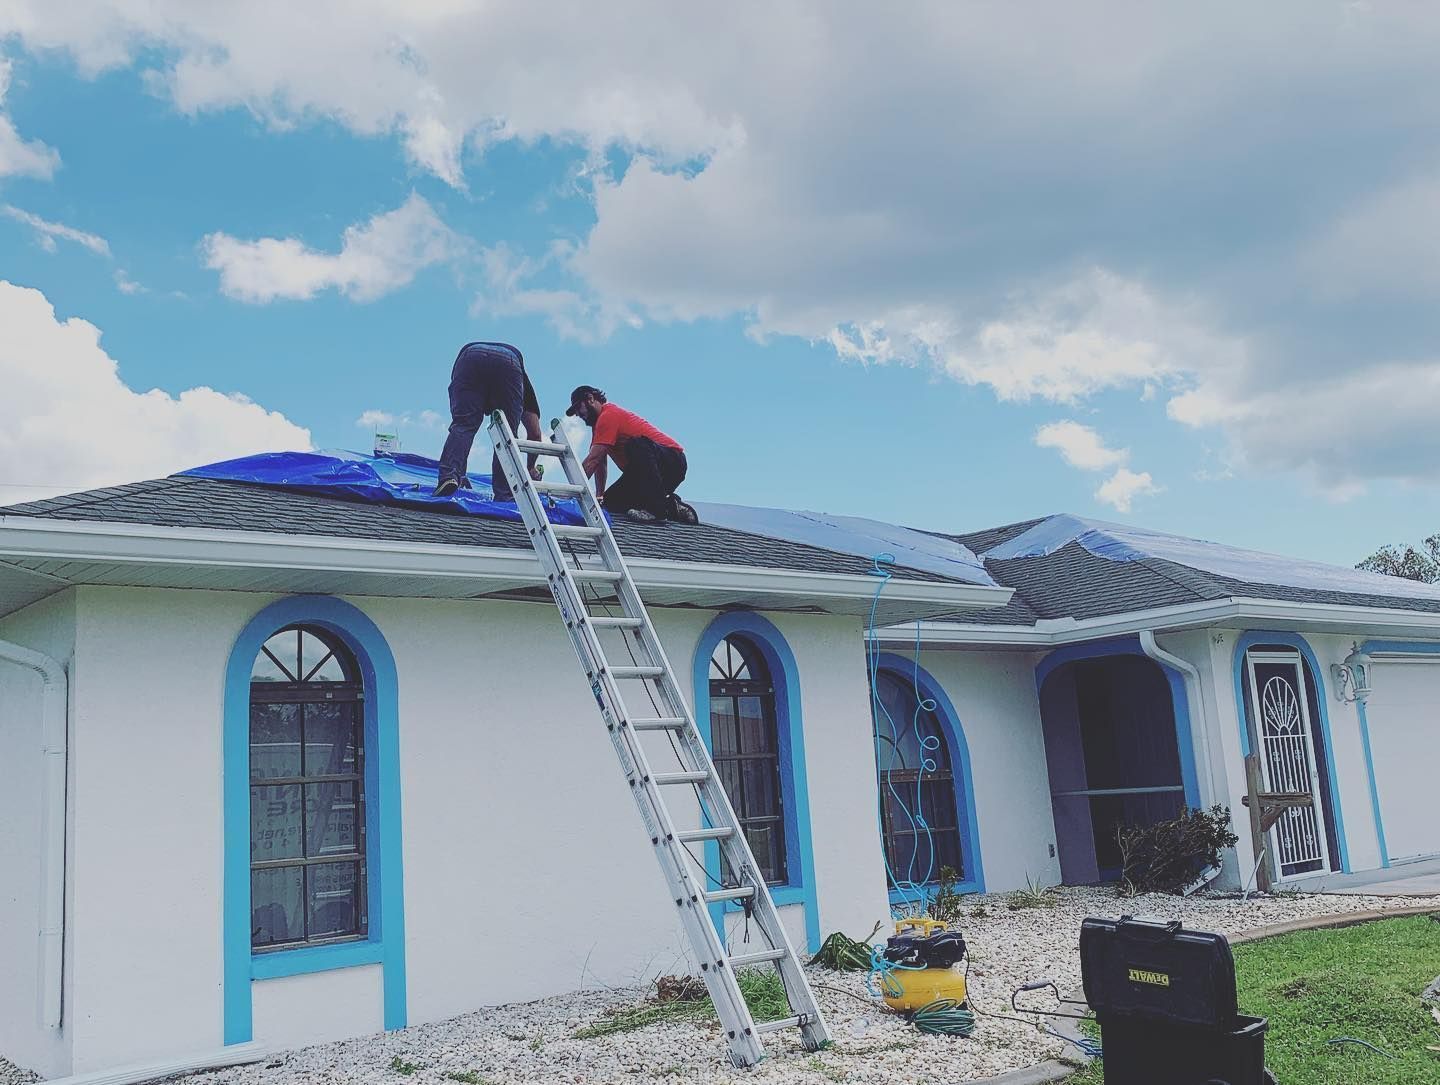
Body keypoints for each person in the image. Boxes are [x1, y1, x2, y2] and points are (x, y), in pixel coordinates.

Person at [566, 385, 698, 525]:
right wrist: (600, 495)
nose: (578, 414)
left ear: (590, 399)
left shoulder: (608, 415)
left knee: (636, 444)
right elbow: (600, 463)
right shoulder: (598, 427)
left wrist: (572, 492)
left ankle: (656, 509)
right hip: (649, 476)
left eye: (578, 408)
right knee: (611, 503)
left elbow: (593, 460)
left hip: (672, 461)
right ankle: (671, 507)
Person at [434, 341, 543, 500]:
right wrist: (530, 467)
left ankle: (449, 476)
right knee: (506, 435)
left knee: (463, 425)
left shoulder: (522, 382)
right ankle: (505, 494)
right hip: (508, 361)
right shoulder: (523, 384)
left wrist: (460, 474)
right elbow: (535, 434)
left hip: (469, 358)